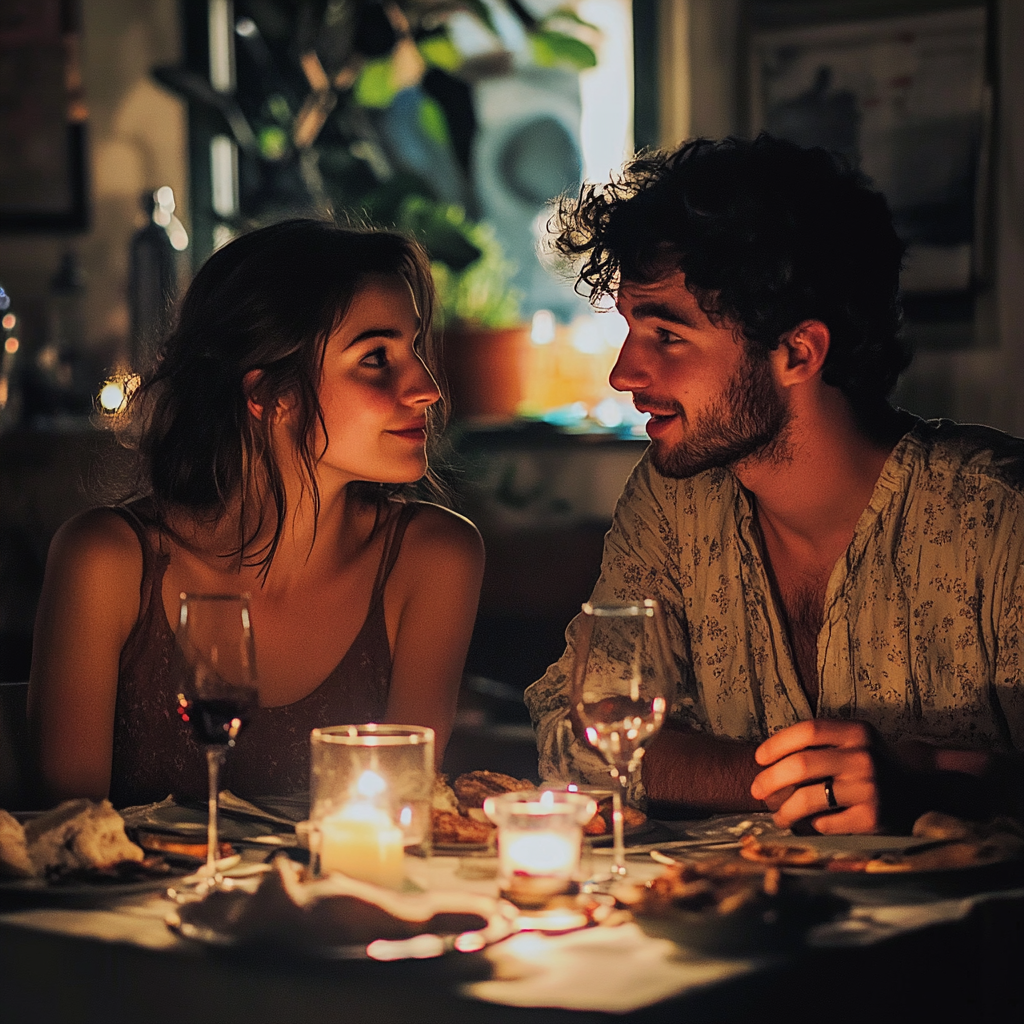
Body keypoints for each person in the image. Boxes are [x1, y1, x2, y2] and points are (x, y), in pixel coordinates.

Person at [526, 135, 1024, 834]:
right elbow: (577, 729)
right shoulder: (675, 501)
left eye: (666, 336)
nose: (624, 373)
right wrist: (790, 781)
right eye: (630, 328)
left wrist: (936, 789)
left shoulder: (999, 522)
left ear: (797, 352)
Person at [28, 219, 484, 808]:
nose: (426, 386)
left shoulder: (433, 559)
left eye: (414, 348)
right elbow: (70, 838)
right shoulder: (107, 562)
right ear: (270, 394)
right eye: (376, 357)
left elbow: (406, 814)